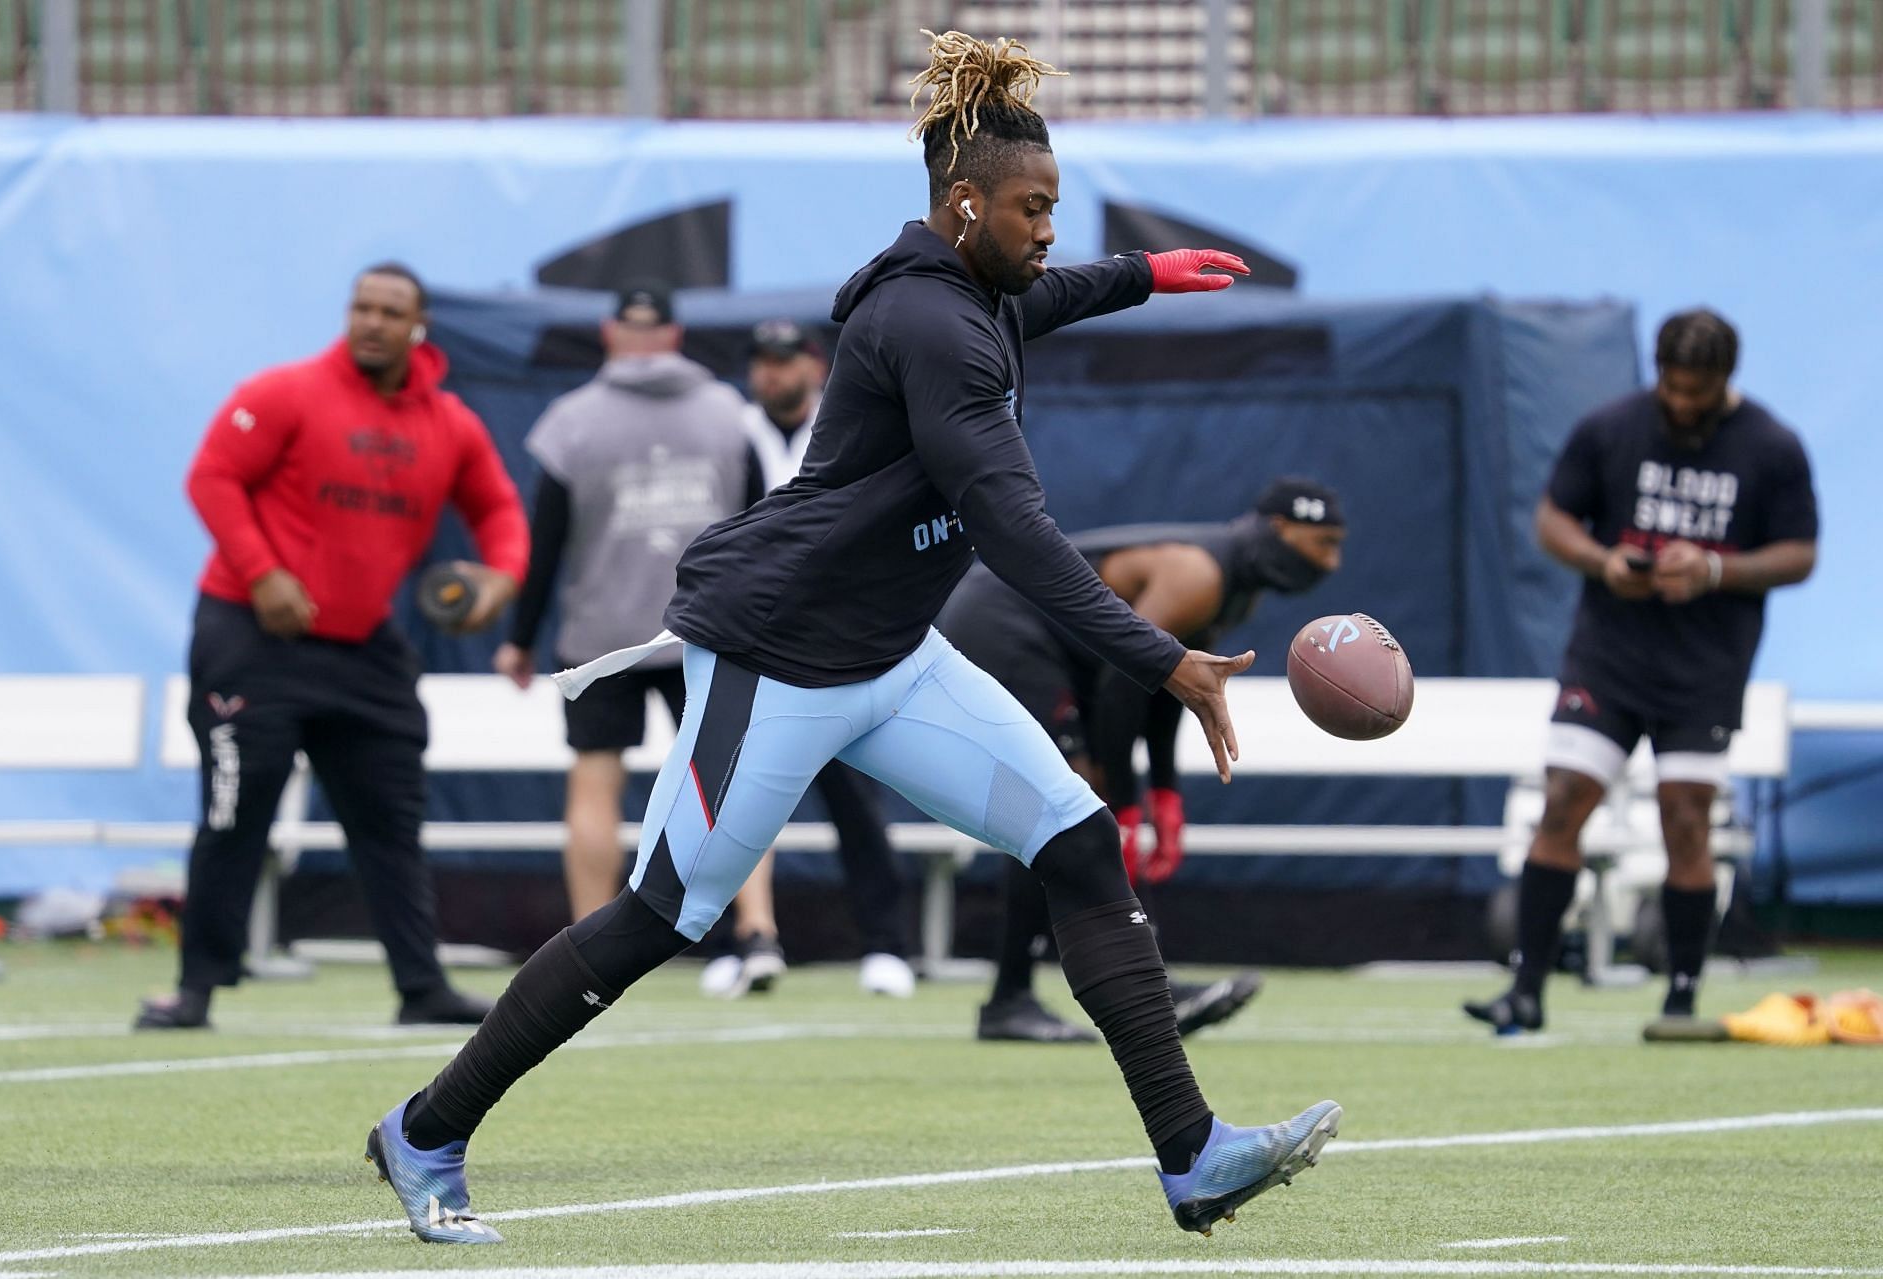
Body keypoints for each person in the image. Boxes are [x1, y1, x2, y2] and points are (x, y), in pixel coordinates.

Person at [364, 31, 1338, 1245]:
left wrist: (1146, 271)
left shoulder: (976, 281)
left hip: (891, 656)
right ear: (964, 203)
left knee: (1080, 843)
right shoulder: (936, 326)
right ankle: (425, 1131)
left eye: (1057, 210)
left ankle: (1193, 1157)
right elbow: (1021, 536)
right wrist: (1166, 658)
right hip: (777, 655)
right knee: (660, 915)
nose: (1048, 232)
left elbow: (1051, 290)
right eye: (1033, 210)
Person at [137, 263, 528, 1031]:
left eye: (391, 311)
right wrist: (264, 574)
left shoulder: (449, 425)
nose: (372, 322)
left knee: (391, 818)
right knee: (234, 815)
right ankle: (196, 989)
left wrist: (501, 581)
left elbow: (500, 509)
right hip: (251, 636)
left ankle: (422, 987)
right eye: (362, 307)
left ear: (419, 327)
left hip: (360, 647)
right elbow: (212, 477)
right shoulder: (284, 391)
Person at [1464, 308, 1817, 1039]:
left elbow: (1800, 552)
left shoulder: (1772, 446)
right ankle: (1525, 989)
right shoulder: (1610, 427)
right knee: (1563, 802)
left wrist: (1717, 568)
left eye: (1699, 390)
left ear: (1726, 379)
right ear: (1659, 371)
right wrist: (1603, 562)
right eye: (1673, 386)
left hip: (1705, 666)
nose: (1683, 403)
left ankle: (1682, 995)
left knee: (1685, 819)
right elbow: (1553, 519)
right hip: (1610, 655)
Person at [940, 478, 1347, 1043]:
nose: (1332, 562)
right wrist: (1127, 803)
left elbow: (1163, 680)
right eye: (1322, 542)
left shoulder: (1236, 588)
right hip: (1003, 623)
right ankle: (1015, 999)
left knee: (1071, 806)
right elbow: (1121, 685)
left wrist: (1164, 790)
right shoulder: (1200, 574)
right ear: (1280, 530)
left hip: (1068, 654)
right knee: (1061, 801)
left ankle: (1138, 986)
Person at [492, 284, 780, 992]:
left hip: (603, 635)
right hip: (708, 631)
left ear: (609, 333)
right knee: (732, 785)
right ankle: (758, 930)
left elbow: (548, 542)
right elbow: (757, 531)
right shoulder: (727, 415)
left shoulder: (570, 422)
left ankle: (587, 947)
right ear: (677, 337)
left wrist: (521, 639)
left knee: (596, 777)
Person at [699, 317, 915, 999]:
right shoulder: (731, 430)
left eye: (785, 361)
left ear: (814, 365)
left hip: (843, 635)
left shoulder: (849, 422)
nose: (772, 373)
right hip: (754, 638)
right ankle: (745, 939)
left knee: (854, 793)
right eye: (762, 361)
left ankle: (887, 945)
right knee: (737, 794)